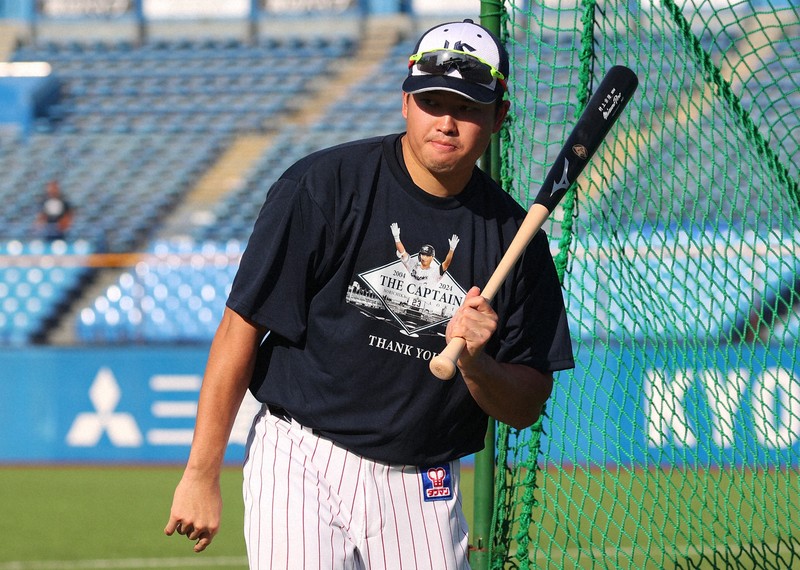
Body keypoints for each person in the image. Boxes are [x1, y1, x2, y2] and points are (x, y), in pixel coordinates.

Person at [165, 19, 574, 569]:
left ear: (499, 117)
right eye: (432, 100)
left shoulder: (515, 240)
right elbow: (241, 326)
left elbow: (526, 404)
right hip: (300, 455)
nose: (447, 122)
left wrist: (478, 365)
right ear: (405, 101)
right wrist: (200, 473)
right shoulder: (322, 186)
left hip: (424, 478)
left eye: (469, 107)